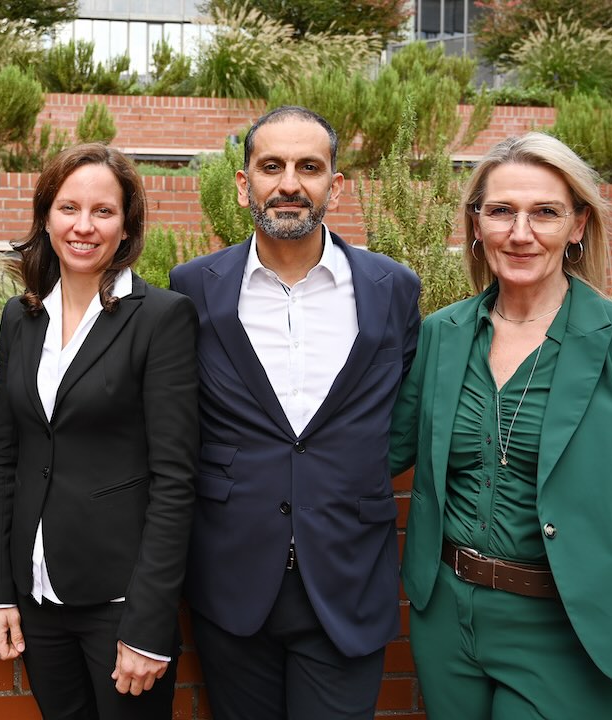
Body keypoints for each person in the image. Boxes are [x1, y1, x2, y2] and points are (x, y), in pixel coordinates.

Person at [390, 132, 612, 719]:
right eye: (501, 211)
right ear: (476, 223)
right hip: (447, 622)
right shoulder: (442, 334)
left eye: (545, 213)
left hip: (567, 631)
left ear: (577, 226)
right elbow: (380, 452)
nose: (521, 232)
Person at [169, 106, 421, 719]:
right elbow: (174, 411)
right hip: (231, 579)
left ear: (336, 185)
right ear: (243, 183)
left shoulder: (393, 288)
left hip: (347, 575)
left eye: (309, 167)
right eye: (271, 166)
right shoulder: (194, 286)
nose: (289, 183)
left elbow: (404, 417)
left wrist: (347, 477)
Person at [0, 142, 199, 719]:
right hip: (38, 597)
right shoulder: (20, 318)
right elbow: (5, 461)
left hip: (121, 602)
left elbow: (175, 479)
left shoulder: (161, 319)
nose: (84, 226)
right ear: (46, 217)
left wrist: (149, 624)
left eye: (103, 211)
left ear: (126, 226)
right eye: (68, 208)